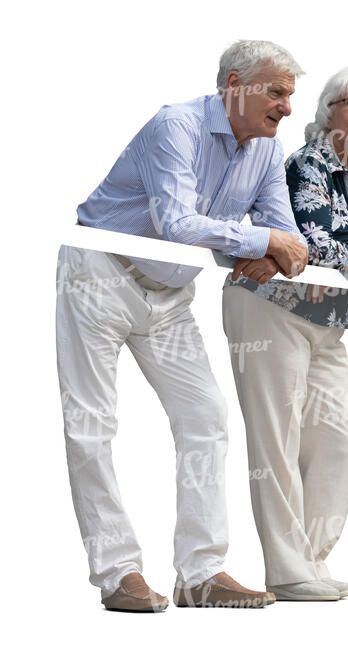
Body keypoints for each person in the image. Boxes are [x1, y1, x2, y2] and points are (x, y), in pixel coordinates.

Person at [56, 39, 308, 611]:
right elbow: (175, 221)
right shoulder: (177, 126)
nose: (287, 107)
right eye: (277, 92)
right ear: (235, 84)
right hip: (99, 272)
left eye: (291, 95)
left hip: (168, 293)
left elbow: (285, 233)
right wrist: (262, 241)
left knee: (206, 415)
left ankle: (201, 574)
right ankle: (118, 575)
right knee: (91, 423)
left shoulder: (268, 151)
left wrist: (272, 251)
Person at [222, 66, 348, 601]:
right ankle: (286, 568)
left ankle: (312, 560)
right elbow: (306, 241)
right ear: (327, 111)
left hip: (328, 318)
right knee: (277, 440)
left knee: (340, 441)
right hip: (270, 306)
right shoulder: (307, 164)